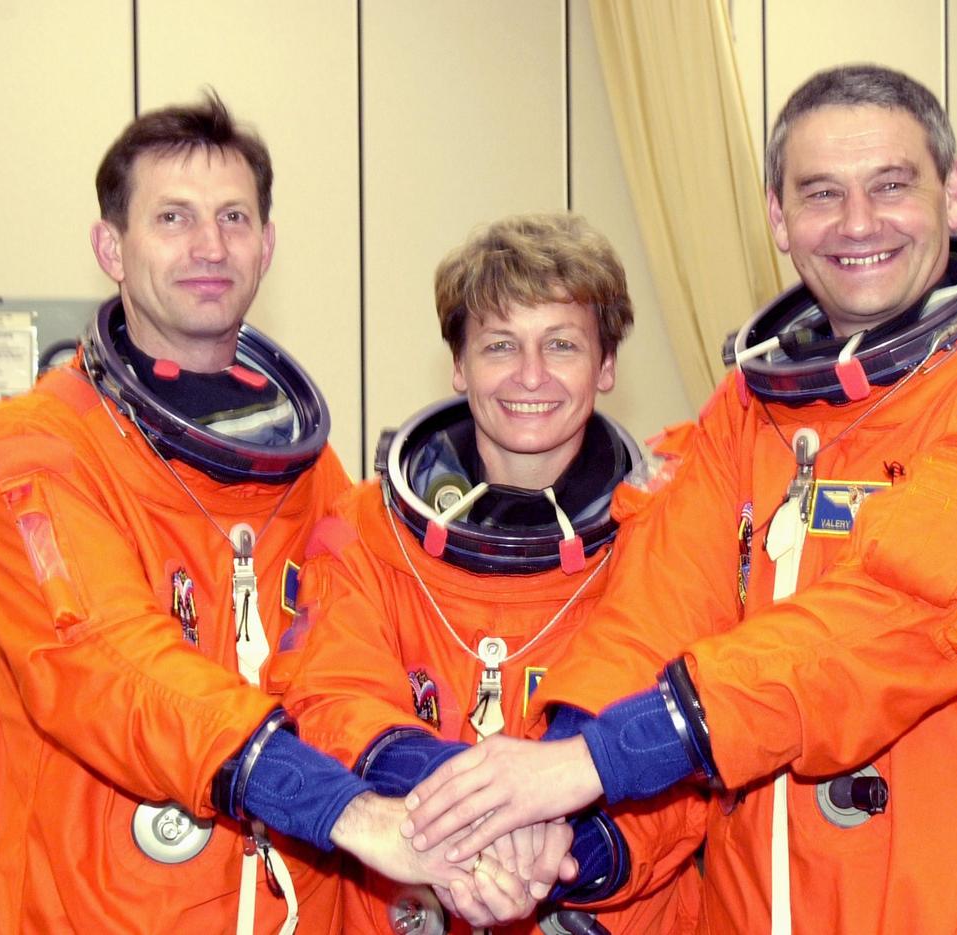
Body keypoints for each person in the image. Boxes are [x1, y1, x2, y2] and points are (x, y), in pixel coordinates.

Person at [399, 65, 957, 934]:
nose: (857, 223)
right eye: (821, 193)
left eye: (890, 186)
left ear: (954, 192)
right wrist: (559, 794)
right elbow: (653, 610)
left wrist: (604, 755)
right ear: (779, 219)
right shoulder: (749, 413)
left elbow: (906, 611)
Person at [0, 92, 495, 934]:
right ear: (111, 247)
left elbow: (356, 672)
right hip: (97, 914)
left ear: (266, 246)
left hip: (294, 905)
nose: (210, 246)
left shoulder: (308, 470)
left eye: (233, 218)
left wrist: (469, 793)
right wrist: (340, 807)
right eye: (172, 217)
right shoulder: (33, 449)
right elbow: (106, 665)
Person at [284, 213, 705, 934]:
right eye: (499, 344)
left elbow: (690, 749)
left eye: (562, 344)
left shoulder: (667, 528)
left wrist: (569, 848)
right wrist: (485, 812)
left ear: (606, 365)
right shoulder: (364, 530)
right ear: (459, 364)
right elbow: (331, 697)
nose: (530, 375)